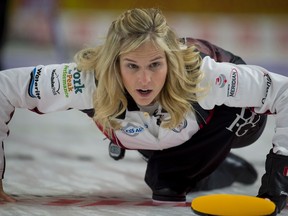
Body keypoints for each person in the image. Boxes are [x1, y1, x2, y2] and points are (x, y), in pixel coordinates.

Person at [0, 8, 287, 214]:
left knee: (167, 182)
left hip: (229, 116)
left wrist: (281, 172)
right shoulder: (85, 78)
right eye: (132, 66)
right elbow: (5, 87)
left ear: (170, 61)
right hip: (158, 128)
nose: (145, 80)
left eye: (155, 65)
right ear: (112, 64)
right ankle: (212, 166)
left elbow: (283, 92)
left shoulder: (204, 76)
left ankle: (193, 163)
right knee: (163, 174)